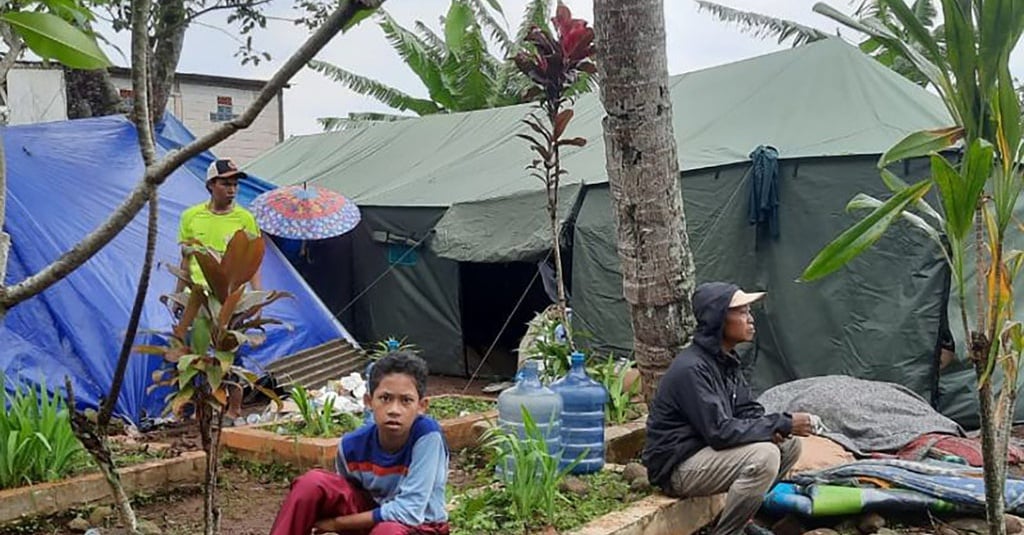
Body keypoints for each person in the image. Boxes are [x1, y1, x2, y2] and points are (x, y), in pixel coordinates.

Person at [642, 281, 815, 535]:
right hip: (677, 467)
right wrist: (782, 422)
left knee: (789, 446)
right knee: (764, 457)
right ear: (719, 319)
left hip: (705, 452)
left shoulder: (725, 360)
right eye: (742, 312)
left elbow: (746, 411)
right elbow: (720, 432)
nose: (751, 319)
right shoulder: (692, 369)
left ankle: (738, 518)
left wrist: (777, 428)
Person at [269, 352, 450, 535]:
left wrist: (336, 524)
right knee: (312, 483)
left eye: (406, 400)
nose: (394, 410)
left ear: (421, 406)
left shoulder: (427, 436)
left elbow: (409, 512)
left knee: (387, 531)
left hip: (423, 527)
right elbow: (348, 496)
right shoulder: (352, 445)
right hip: (373, 519)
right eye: (385, 398)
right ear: (369, 401)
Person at [176, 157, 261, 422]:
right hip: (198, 296)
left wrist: (258, 299)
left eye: (235, 184)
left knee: (231, 353)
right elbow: (186, 258)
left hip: (232, 298)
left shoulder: (244, 218)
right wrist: (178, 293)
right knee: (196, 352)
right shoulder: (191, 217)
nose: (232, 189)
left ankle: (234, 410)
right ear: (211, 185)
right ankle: (202, 408)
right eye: (226, 184)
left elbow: (254, 261)